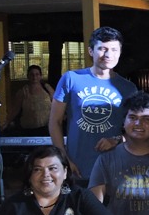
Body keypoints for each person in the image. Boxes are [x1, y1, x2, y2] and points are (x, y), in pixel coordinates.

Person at [49, 26, 138, 185]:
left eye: (114, 49)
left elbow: (136, 128)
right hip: (78, 168)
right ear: (91, 51)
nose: (108, 54)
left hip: (115, 169)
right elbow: (54, 121)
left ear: (120, 52)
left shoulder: (128, 88)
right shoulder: (71, 79)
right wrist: (63, 158)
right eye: (102, 49)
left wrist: (117, 140)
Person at [6, 64, 55, 135]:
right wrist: (7, 122)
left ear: (40, 76)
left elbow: (56, 104)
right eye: (32, 75)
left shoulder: (47, 89)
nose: (34, 77)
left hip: (46, 128)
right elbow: (15, 110)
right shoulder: (23, 92)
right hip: (28, 130)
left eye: (37, 74)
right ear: (28, 76)